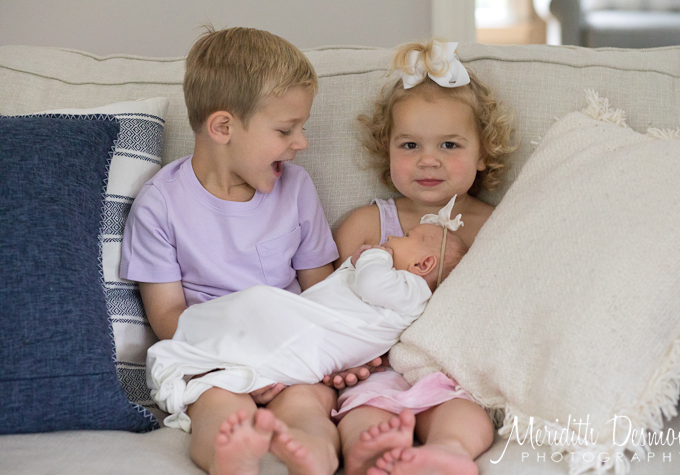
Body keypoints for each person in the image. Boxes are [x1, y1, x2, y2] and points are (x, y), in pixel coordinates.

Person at [121, 26, 349, 475]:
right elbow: (168, 316)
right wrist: (239, 363)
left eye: (301, 127)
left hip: (290, 352)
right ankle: (231, 458)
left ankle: (314, 453)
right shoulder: (160, 205)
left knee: (307, 404)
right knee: (217, 408)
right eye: (285, 129)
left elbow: (322, 292)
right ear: (223, 127)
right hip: (211, 359)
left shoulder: (296, 189)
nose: (301, 142)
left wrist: (327, 356)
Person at [331, 39, 516, 475]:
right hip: (375, 371)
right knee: (361, 414)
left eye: (449, 145)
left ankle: (446, 452)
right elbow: (333, 306)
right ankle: (373, 454)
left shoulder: (496, 227)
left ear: (483, 152)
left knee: (465, 416)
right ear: (387, 149)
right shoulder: (365, 226)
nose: (428, 161)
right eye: (410, 145)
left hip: (449, 371)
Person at [146, 211, 467, 436]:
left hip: (311, 340)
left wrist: (373, 256)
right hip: (305, 324)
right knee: (256, 304)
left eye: (407, 236)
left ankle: (214, 358)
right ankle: (214, 351)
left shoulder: (413, 291)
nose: (393, 236)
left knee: (260, 304)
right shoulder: (397, 284)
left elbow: (371, 284)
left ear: (423, 264)